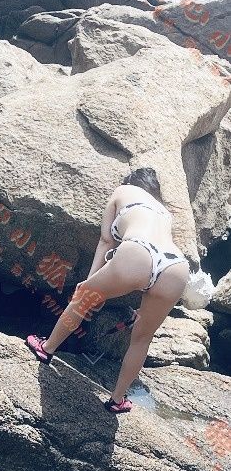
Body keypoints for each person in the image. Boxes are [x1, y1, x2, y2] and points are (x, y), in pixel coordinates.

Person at [26, 168, 190, 414]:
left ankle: (46, 348)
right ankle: (118, 400)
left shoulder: (123, 190)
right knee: (142, 338)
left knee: (83, 299)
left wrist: (90, 281)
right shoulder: (164, 212)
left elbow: (106, 242)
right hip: (175, 266)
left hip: (138, 251)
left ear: (130, 182)